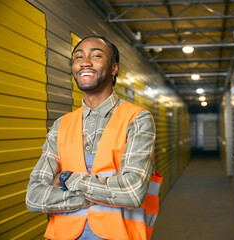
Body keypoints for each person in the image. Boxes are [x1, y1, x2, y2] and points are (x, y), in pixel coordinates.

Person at [26, 36, 162, 240]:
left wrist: (66, 178)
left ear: (115, 67)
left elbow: (132, 193)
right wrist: (106, 193)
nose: (85, 62)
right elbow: (34, 198)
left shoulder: (136, 119)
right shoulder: (61, 125)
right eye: (78, 57)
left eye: (96, 55)